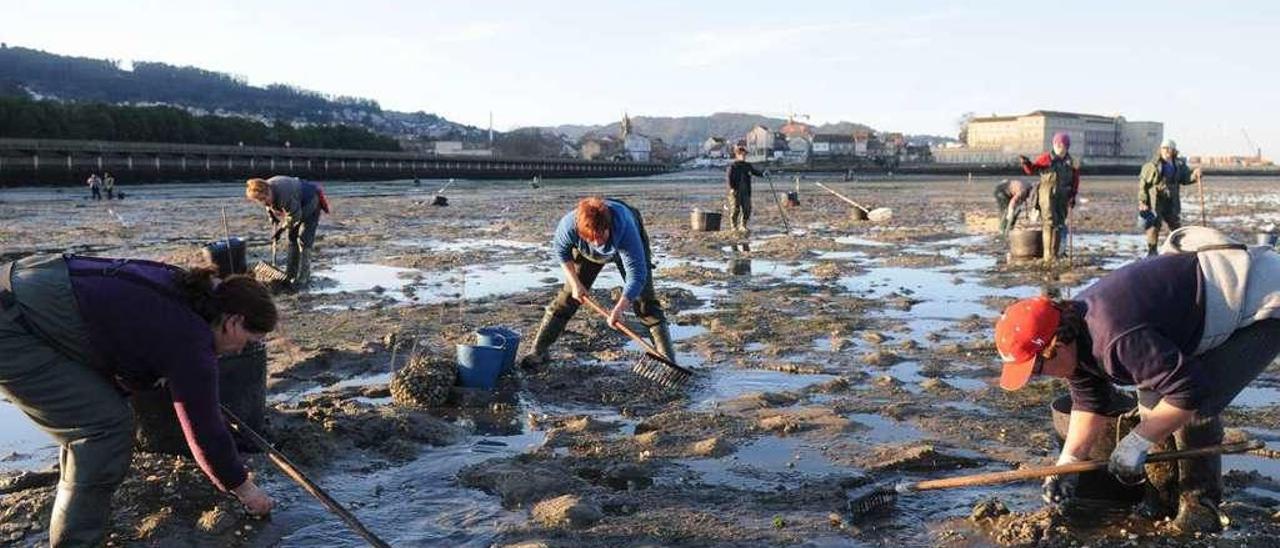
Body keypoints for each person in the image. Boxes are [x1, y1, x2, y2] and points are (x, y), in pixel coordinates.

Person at [993, 227, 1280, 533]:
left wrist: (1137, 441)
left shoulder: (1116, 339)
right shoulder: (1072, 332)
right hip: (1191, 313)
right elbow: (1090, 401)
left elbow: (1189, 392)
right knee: (1153, 409)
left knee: (1197, 411)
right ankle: (1162, 498)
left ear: (1056, 347)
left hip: (1262, 302)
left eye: (1036, 369)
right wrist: (1068, 462)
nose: (1038, 377)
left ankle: (1200, 508)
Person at [0, 254, 278, 545]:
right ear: (234, 321)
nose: (239, 351)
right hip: (13, 326)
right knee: (104, 428)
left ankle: (77, 506)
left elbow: (126, 349)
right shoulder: (192, 339)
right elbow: (205, 433)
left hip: (27, 285)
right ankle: (76, 541)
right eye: (248, 342)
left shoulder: (186, 290)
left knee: (96, 409)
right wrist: (245, 489)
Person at [520, 196, 676, 370]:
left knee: (645, 302)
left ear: (608, 227)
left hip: (623, 245)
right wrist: (575, 283)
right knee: (567, 298)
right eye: (591, 238)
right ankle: (538, 351)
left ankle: (668, 360)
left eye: (600, 236)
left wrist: (619, 308)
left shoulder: (625, 228)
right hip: (586, 254)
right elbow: (561, 251)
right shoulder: (569, 225)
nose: (597, 242)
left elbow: (637, 275)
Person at [245, 176, 330, 288]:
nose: (263, 203)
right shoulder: (267, 191)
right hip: (296, 205)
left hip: (310, 201)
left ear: (268, 192)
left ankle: (304, 277)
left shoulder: (284, 194)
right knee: (291, 238)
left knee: (304, 239)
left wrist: (282, 229)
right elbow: (269, 206)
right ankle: (290, 274)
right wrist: (272, 217)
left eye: (263, 199)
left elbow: (295, 215)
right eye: (259, 201)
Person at [1019, 132, 1080, 262]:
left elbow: (1075, 180)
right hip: (1046, 193)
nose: (1058, 146)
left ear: (1066, 146)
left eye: (1061, 144)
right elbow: (1032, 170)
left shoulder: (1072, 163)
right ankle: (1048, 256)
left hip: (1064, 194)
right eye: (1056, 143)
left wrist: (1073, 195)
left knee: (1059, 223)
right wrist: (1026, 163)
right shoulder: (1046, 158)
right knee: (1049, 223)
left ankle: (1055, 254)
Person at [1139, 139, 1203, 256]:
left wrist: (1195, 175)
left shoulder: (1178, 165)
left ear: (1174, 151)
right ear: (1161, 149)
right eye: (1165, 148)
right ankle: (1152, 251)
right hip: (1156, 199)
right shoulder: (1152, 165)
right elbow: (1143, 184)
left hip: (1172, 199)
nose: (1167, 151)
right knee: (1154, 225)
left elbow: (1185, 178)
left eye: (1169, 149)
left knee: (1175, 223)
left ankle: (1178, 249)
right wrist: (1143, 201)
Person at [726, 146, 764, 233]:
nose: (743, 156)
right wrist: (732, 189)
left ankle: (743, 225)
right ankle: (734, 226)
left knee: (747, 209)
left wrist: (763, 173)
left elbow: (755, 172)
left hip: (746, 191)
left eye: (744, 155)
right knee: (735, 209)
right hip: (735, 191)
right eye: (742, 154)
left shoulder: (747, 166)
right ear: (737, 155)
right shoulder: (733, 166)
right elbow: (729, 179)